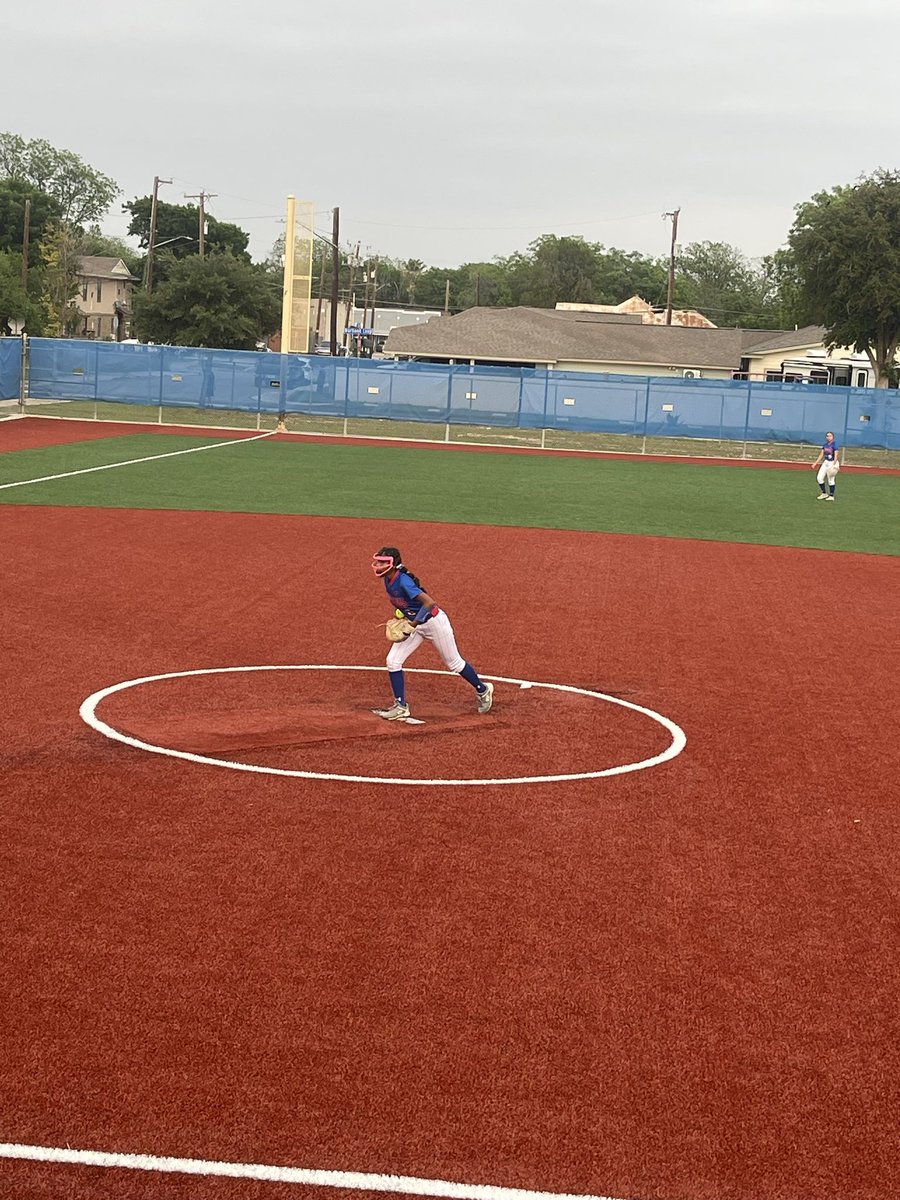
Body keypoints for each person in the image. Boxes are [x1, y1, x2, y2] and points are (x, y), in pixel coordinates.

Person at [371, 546, 494, 721]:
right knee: (393, 661)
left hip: (434, 623)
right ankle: (400, 706)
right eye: (378, 561)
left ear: (393, 564)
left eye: (383, 562)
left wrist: (412, 623)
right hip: (415, 624)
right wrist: (402, 617)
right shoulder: (388, 580)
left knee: (454, 663)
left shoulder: (404, 581)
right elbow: (404, 604)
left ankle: (483, 690)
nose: (378, 565)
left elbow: (429, 603)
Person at [812, 431, 842, 500]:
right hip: (826, 462)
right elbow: (821, 455)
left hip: (832, 463)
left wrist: (835, 465)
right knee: (819, 478)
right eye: (827, 436)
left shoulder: (835, 444)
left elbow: (836, 455)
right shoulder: (825, 445)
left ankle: (831, 496)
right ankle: (824, 493)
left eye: (830, 436)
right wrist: (815, 463)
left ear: (833, 437)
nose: (828, 437)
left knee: (831, 479)